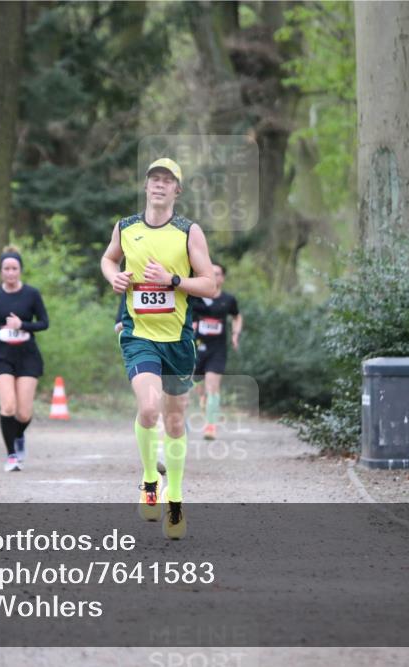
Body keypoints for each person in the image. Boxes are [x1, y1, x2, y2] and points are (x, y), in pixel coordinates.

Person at [101, 158, 216, 539]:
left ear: (177, 190)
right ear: (146, 186)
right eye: (154, 179)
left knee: (175, 421)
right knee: (149, 408)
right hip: (139, 335)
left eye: (167, 180)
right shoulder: (126, 227)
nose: (160, 185)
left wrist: (172, 280)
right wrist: (114, 277)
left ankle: (176, 498)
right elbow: (108, 258)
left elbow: (209, 285)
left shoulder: (188, 232)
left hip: (178, 340)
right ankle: (150, 480)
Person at [0, 245, 49, 472]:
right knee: (8, 406)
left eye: (14, 268)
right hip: (1, 356)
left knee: (24, 413)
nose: (10, 273)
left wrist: (22, 325)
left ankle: (18, 436)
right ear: (0, 271)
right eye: (6, 269)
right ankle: (11, 456)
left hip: (27, 356)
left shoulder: (31, 294)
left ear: (20, 270)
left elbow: (44, 323)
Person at [189, 263, 242, 440]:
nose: (214, 275)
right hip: (196, 348)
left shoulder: (228, 299)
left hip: (217, 349)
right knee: (198, 387)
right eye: (210, 272)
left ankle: (210, 427)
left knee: (212, 386)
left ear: (222, 278)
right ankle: (204, 401)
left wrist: (235, 334)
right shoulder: (195, 298)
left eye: (217, 273)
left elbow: (237, 316)